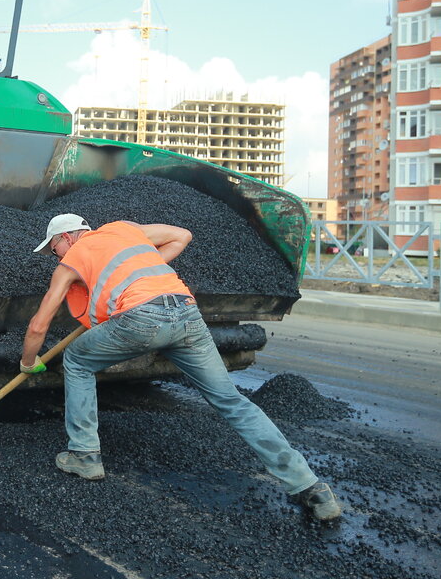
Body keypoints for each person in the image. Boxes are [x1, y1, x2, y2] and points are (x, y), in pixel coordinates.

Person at [20, 213, 343, 522]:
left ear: (66, 237)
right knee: (231, 402)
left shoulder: (70, 262)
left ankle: (84, 456)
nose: (55, 255)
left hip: (139, 319)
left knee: (76, 359)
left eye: (53, 248)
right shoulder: (124, 229)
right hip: (185, 312)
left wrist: (28, 362)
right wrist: (145, 271)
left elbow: (38, 326)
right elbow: (181, 235)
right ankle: (310, 486)